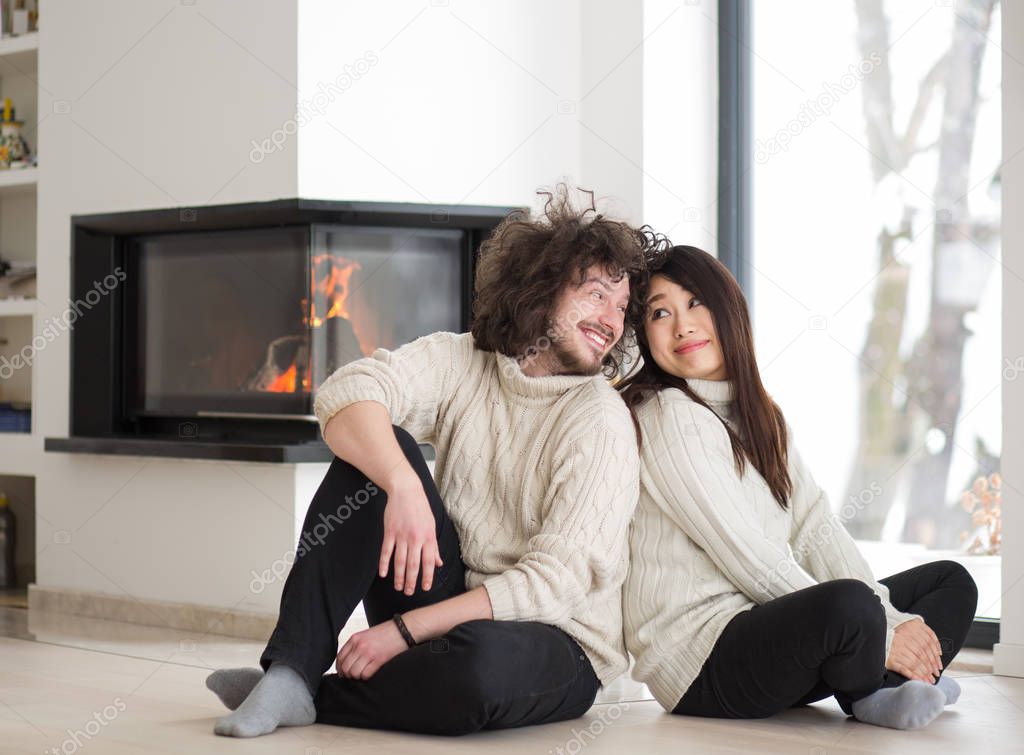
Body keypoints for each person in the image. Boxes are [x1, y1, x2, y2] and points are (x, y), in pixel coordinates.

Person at [204, 187, 660, 737]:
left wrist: (402, 631)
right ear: (542, 284)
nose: (612, 319)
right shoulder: (461, 360)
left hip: (558, 640)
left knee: (474, 671)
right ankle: (291, 670)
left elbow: (554, 585)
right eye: (595, 294)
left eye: (621, 306)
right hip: (450, 598)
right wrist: (402, 483)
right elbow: (346, 392)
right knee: (372, 454)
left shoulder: (599, 421)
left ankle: (311, 693)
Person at [618, 245, 978, 730]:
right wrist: (882, 625)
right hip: (702, 663)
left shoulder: (763, 417)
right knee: (852, 606)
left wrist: (890, 620)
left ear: (728, 309)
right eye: (661, 312)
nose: (682, 325)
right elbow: (748, 555)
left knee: (950, 582)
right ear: (645, 332)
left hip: (770, 636)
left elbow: (816, 529)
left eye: (696, 303)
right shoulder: (665, 414)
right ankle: (876, 686)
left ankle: (886, 686)